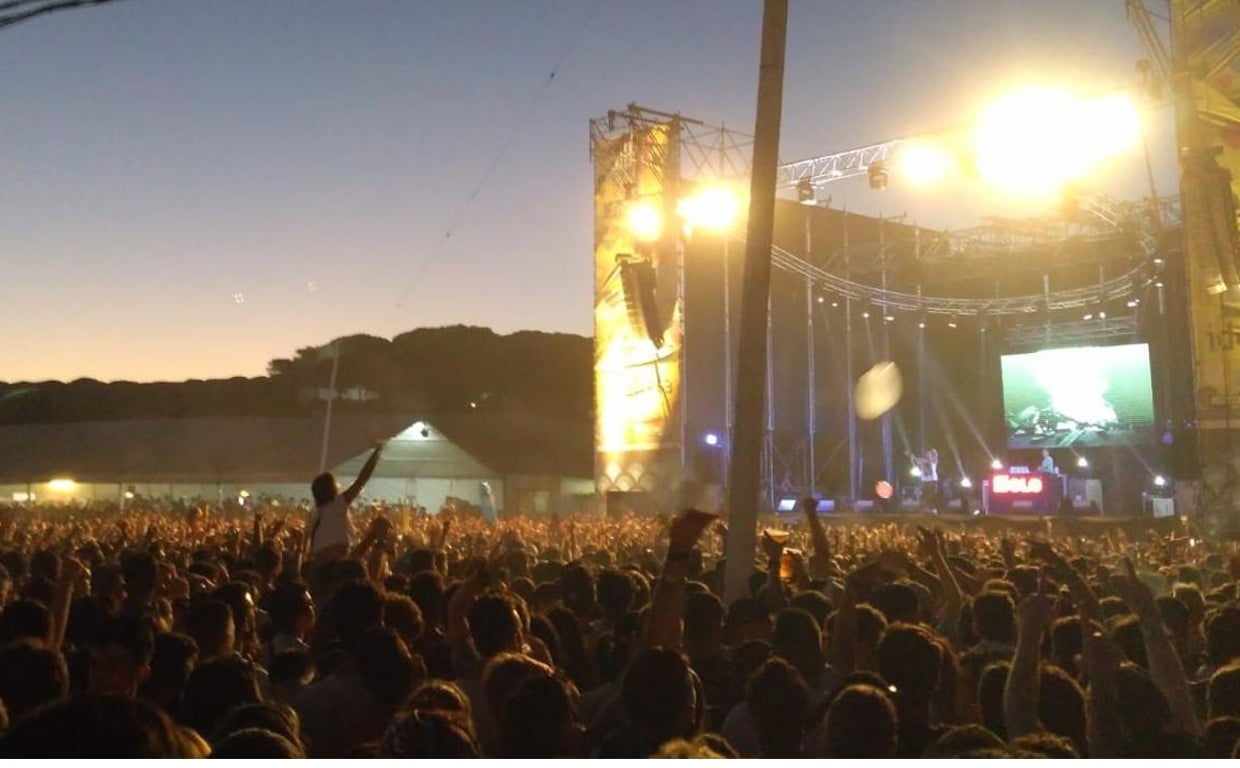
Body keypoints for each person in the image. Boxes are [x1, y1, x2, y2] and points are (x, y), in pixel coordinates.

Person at [308, 441, 386, 560]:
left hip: (322, 570)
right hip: (335, 567)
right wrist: (377, 453)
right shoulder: (336, 505)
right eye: (336, 485)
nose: (339, 487)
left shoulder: (315, 516)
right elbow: (361, 480)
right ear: (331, 489)